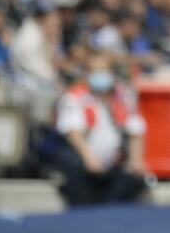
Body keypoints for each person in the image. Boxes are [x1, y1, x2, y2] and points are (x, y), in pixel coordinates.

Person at [54, 52, 149, 206]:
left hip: (114, 164)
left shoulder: (123, 96)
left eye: (104, 71)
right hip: (86, 164)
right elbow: (73, 133)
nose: (100, 75)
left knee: (133, 182)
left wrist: (136, 160)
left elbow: (136, 130)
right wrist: (90, 160)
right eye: (95, 71)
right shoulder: (75, 97)